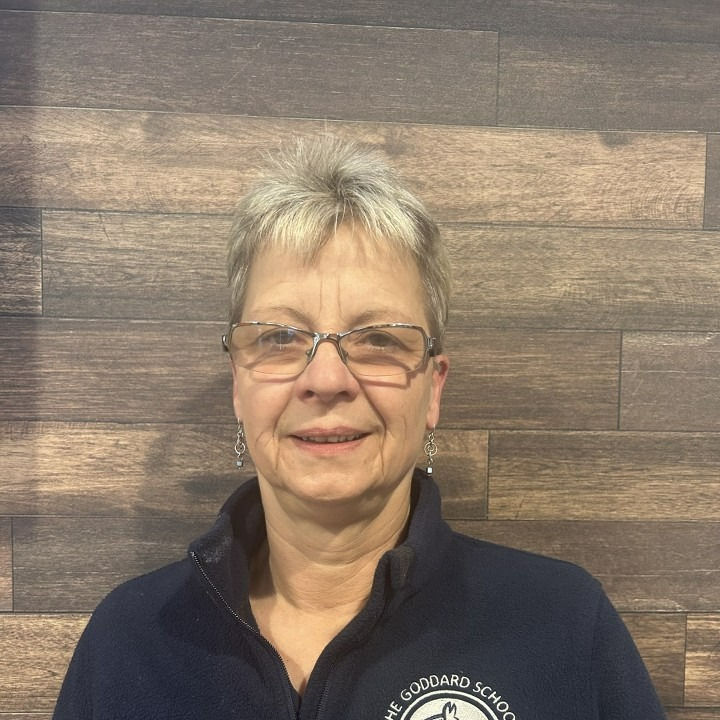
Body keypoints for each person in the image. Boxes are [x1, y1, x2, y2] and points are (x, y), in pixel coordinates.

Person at [53, 136, 666, 719]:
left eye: (378, 339)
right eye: (280, 337)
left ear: (433, 388)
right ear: (239, 383)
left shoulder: (562, 625)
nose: (326, 379)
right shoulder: (128, 639)